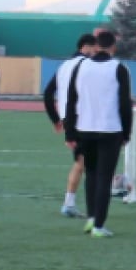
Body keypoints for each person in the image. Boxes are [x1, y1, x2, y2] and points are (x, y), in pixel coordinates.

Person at [63, 30, 132, 238]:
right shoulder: (119, 68)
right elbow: (125, 103)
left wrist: (70, 132)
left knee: (91, 174)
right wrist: (126, 132)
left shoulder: (81, 66)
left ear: (96, 46)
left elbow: (71, 99)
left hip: (85, 128)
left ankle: (92, 218)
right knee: (104, 177)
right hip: (110, 129)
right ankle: (99, 226)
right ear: (113, 47)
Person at [43, 34, 98, 218]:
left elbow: (48, 93)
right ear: (86, 47)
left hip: (69, 120)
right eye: (94, 49)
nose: (95, 52)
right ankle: (115, 186)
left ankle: (69, 203)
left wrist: (56, 119)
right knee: (93, 160)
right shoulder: (86, 65)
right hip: (84, 119)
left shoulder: (64, 66)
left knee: (81, 162)